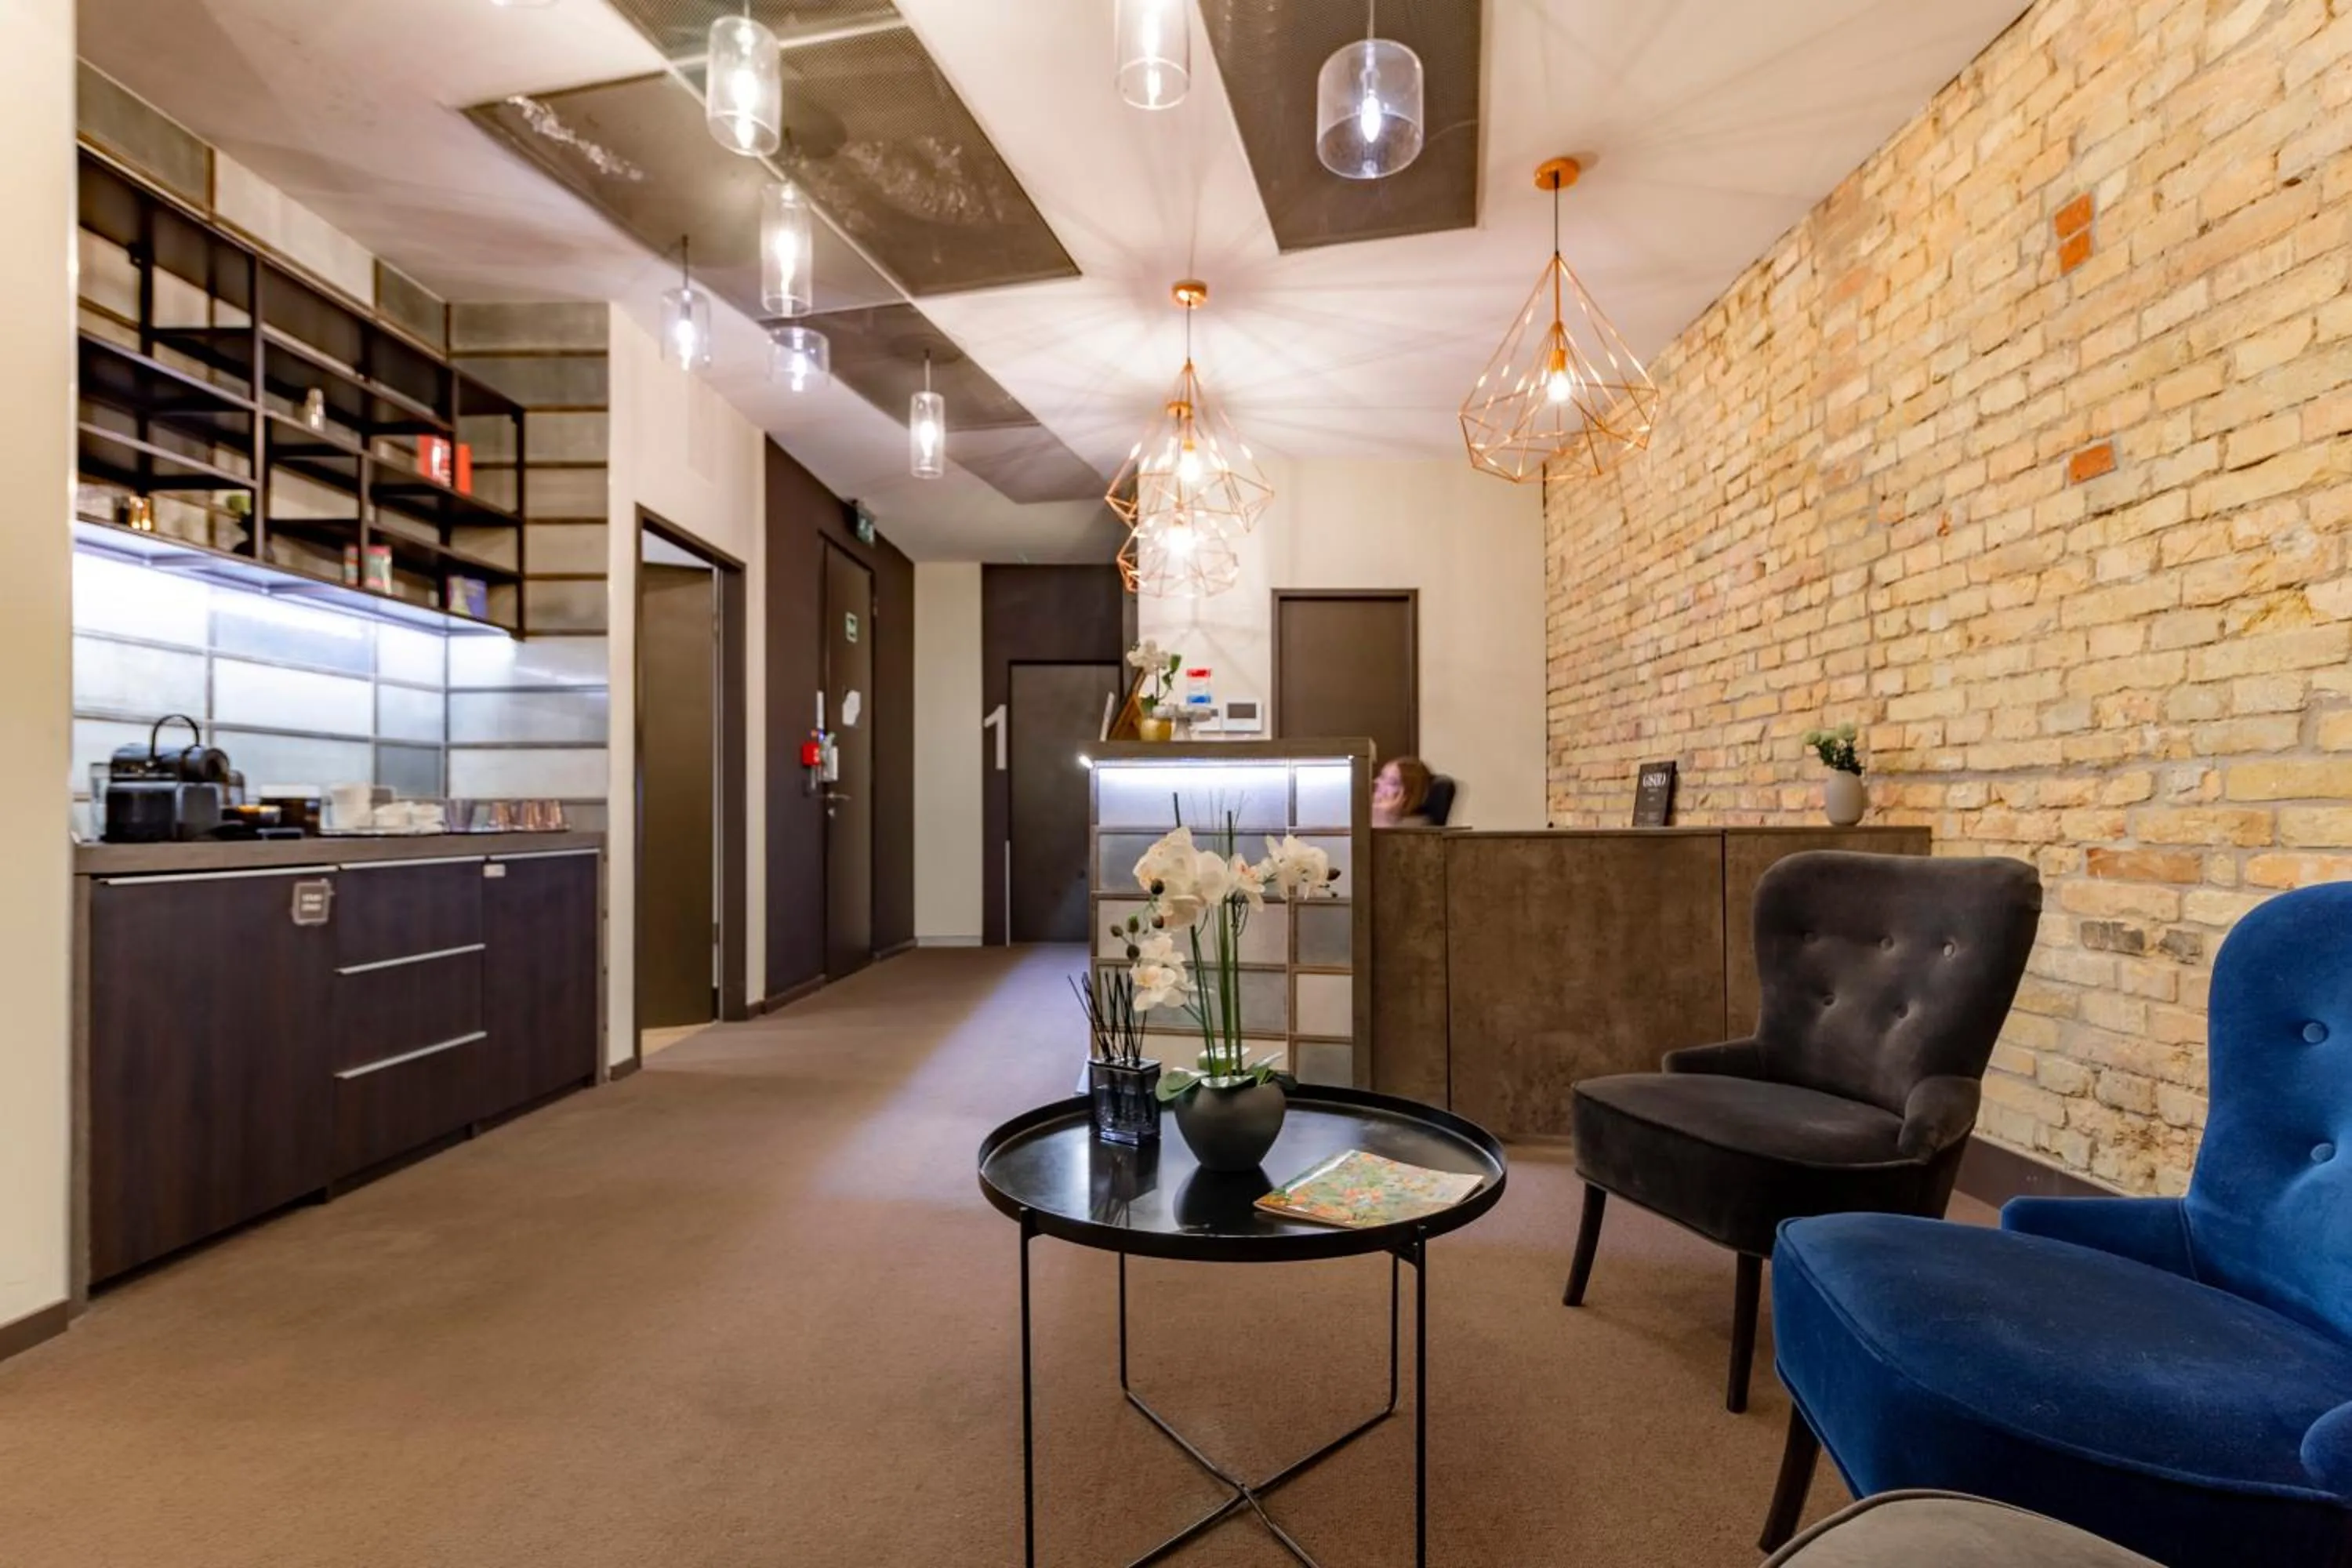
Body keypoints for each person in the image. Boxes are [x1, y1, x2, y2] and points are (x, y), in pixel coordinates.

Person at [1372, 756, 1435, 827]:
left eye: (1392, 782)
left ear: (1409, 796)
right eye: (1382, 777)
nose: (1377, 783)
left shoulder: (1415, 827)